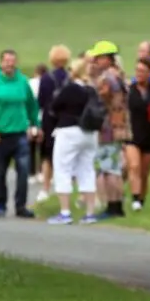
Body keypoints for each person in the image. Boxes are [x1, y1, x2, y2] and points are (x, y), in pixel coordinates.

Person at [0, 49, 42, 218]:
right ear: (1, 63)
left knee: (23, 171)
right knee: (0, 173)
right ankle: (1, 206)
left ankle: (21, 206)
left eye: (12, 61)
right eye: (7, 61)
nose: (10, 64)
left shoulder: (22, 82)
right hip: (0, 135)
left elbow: (32, 105)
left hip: (20, 134)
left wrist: (35, 124)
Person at [46, 58, 99, 225]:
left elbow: (54, 106)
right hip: (90, 133)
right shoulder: (92, 90)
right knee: (87, 170)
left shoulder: (70, 89)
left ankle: (65, 212)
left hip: (69, 130)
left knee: (63, 169)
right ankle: (90, 213)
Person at [88, 40, 132, 219]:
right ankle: (116, 206)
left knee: (108, 169)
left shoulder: (106, 79)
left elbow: (99, 98)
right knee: (114, 167)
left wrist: (93, 79)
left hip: (107, 128)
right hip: (119, 126)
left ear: (107, 58)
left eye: (98, 58)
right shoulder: (119, 76)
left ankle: (113, 206)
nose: (95, 61)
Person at [125, 58, 150, 211]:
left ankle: (141, 201)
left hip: (149, 136)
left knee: (144, 172)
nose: (139, 74)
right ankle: (135, 199)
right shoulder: (129, 91)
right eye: (137, 71)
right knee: (134, 166)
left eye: (142, 71)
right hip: (131, 135)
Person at [36, 45, 72, 202]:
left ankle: (45, 188)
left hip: (49, 119)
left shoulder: (46, 78)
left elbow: (41, 101)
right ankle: (64, 187)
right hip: (66, 119)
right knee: (66, 154)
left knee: (47, 154)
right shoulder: (70, 77)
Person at [28, 63, 46, 184]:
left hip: (32, 117)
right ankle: (41, 172)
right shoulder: (46, 83)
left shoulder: (30, 82)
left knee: (31, 146)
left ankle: (31, 173)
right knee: (42, 146)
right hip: (43, 117)